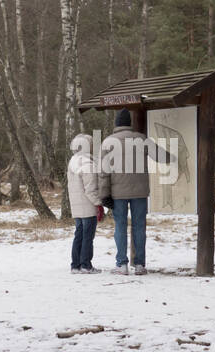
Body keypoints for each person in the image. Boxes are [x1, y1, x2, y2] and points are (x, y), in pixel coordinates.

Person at [99, 108, 168, 275]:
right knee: (139, 227)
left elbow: (103, 172)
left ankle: (121, 264)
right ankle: (139, 265)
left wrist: (104, 194)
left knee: (120, 227)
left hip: (118, 193)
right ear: (129, 124)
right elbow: (163, 157)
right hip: (140, 192)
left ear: (116, 124)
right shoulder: (141, 139)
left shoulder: (108, 142)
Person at [66, 132, 104, 274]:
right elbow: (90, 189)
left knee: (79, 234)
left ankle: (75, 265)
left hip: (76, 205)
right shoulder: (88, 164)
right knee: (88, 236)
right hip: (87, 205)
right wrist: (98, 204)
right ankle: (86, 265)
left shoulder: (73, 162)